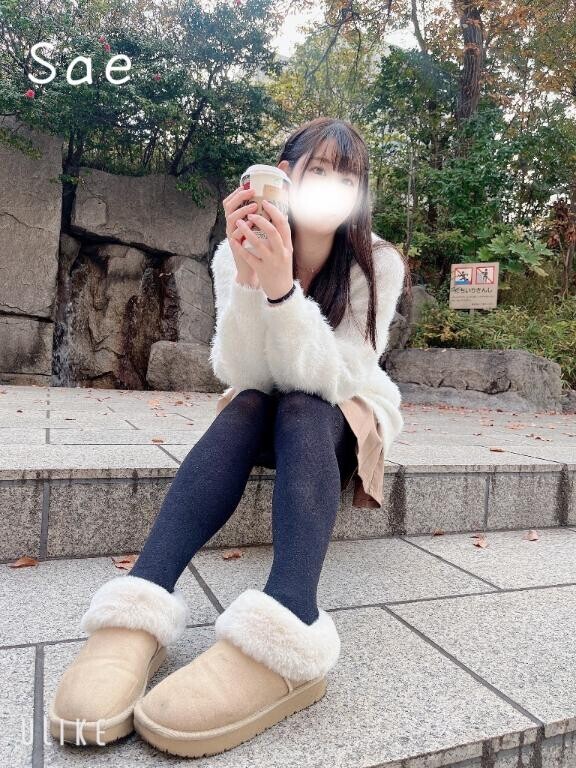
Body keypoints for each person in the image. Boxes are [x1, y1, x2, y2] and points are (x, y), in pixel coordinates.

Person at [48, 116, 408, 758]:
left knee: (303, 406)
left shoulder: (376, 261)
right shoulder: (232, 251)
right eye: (318, 170)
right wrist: (249, 278)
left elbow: (338, 377)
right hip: (263, 402)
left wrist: (281, 290)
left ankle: (291, 618)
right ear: (284, 175)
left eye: (347, 178)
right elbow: (240, 370)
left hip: (343, 414)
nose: (332, 187)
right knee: (246, 404)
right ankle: (139, 606)